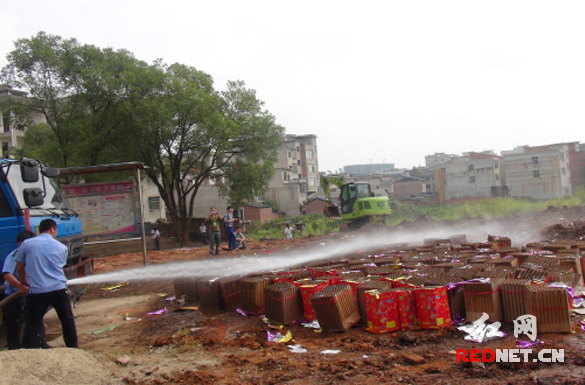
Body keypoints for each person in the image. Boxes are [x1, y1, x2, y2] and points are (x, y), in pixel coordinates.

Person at [16, 219, 78, 348]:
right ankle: (73, 348)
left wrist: (24, 283)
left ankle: (28, 350)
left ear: (40, 230)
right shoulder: (61, 247)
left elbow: (20, 267)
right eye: (55, 231)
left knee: (32, 322)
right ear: (52, 229)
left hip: (37, 291)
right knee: (67, 320)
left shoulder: (27, 244)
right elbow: (59, 267)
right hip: (58, 289)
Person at [1, 230, 35, 349]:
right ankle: (13, 346)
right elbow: (7, 274)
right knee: (14, 321)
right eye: (22, 243)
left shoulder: (33, 256)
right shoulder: (13, 256)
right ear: (18, 244)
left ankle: (33, 344)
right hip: (13, 294)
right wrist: (19, 286)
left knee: (33, 319)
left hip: (29, 294)